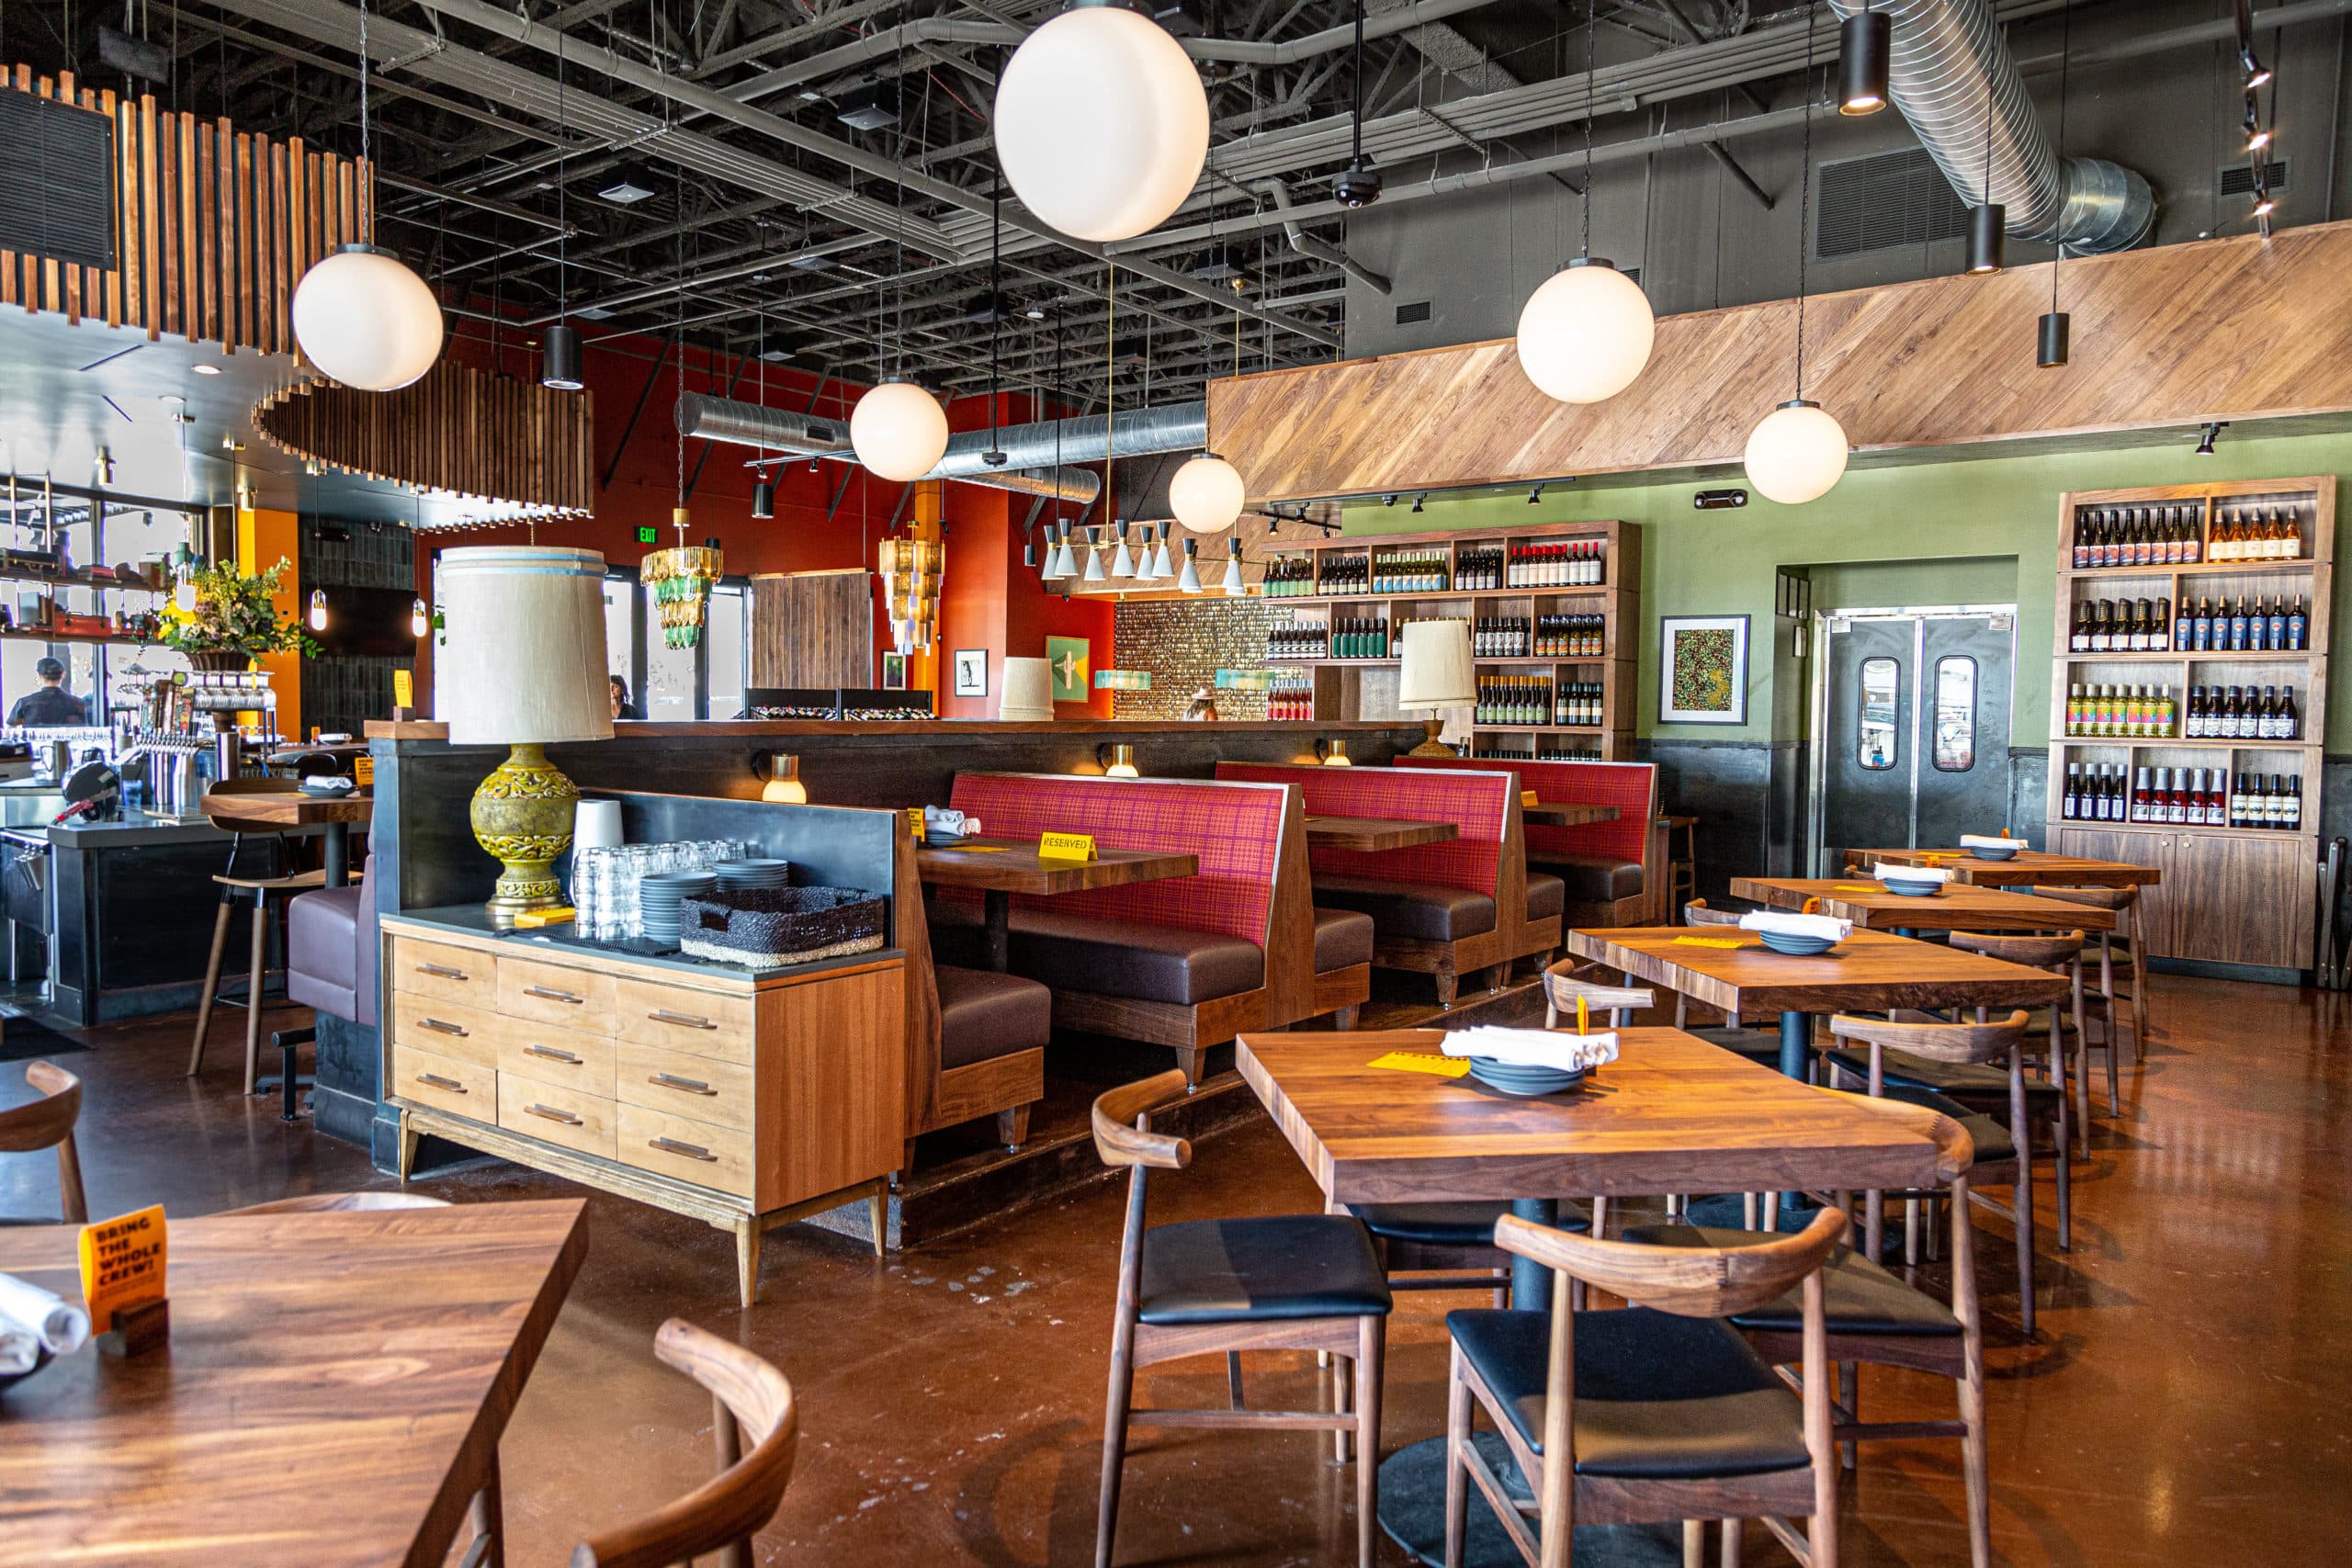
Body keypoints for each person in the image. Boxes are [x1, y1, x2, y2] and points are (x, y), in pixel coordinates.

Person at [9, 658, 89, 728]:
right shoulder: (77, 703)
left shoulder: (25, 703)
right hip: (65, 745)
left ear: (39, 675)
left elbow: (11, 731)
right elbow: (81, 731)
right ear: (63, 674)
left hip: (35, 745)